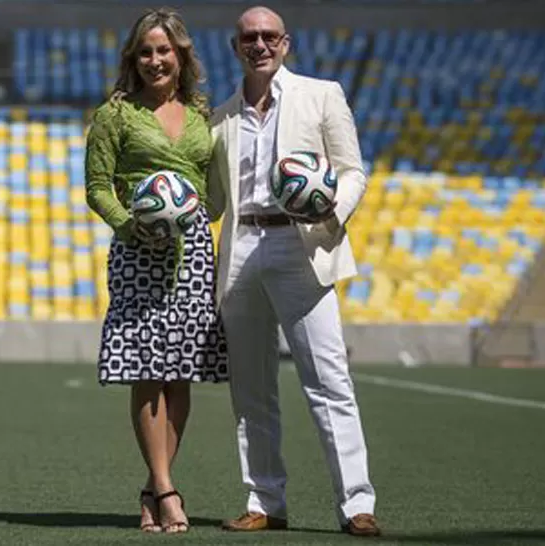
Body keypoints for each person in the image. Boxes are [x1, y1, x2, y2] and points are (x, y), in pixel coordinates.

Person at [205, 6, 381, 537]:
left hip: (302, 245)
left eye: (268, 36)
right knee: (251, 388)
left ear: (286, 43)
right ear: (236, 47)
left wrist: (331, 209)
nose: (259, 44)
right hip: (241, 246)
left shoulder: (321, 94)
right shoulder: (220, 118)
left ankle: (356, 505)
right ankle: (265, 501)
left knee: (329, 381)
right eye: (249, 37)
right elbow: (213, 201)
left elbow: (352, 171)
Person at [84, 7, 228, 535]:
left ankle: (152, 487)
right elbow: (98, 187)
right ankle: (168, 490)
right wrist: (129, 225)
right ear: (133, 58)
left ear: (181, 55)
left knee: (180, 371)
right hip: (137, 254)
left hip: (192, 256)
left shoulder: (201, 116)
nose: (154, 60)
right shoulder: (114, 116)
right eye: (145, 51)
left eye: (164, 50)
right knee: (147, 371)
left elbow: (211, 186)